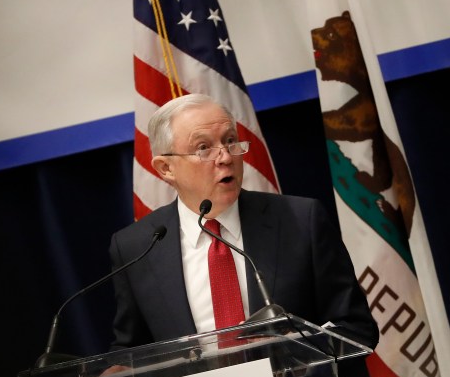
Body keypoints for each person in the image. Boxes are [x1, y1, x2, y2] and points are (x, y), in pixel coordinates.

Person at [106, 93, 379, 352]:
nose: (226, 157)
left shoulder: (300, 221)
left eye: (230, 141)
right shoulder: (136, 247)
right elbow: (131, 349)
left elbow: (356, 328)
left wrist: (297, 353)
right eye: (203, 148)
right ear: (166, 168)